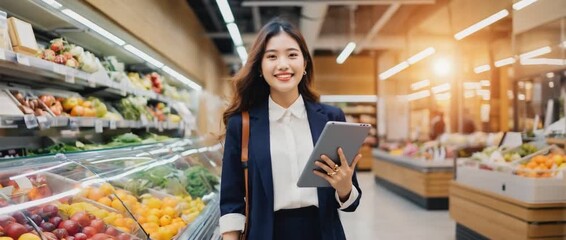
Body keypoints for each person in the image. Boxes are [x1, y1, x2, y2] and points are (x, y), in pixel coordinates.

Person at [219, 18, 362, 240]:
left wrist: (344, 188)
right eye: (272, 56)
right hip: (266, 233)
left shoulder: (331, 119)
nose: (283, 64)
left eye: (292, 55)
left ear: (305, 63)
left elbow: (350, 202)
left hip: (323, 233)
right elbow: (231, 199)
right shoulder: (242, 124)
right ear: (260, 66)